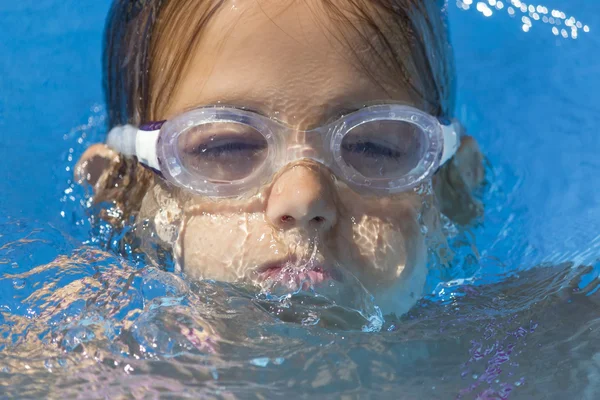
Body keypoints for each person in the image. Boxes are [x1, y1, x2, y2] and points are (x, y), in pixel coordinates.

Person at [76, 0, 484, 315]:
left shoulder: (516, 352)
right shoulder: (81, 370)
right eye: (227, 147)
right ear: (117, 193)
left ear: (456, 190)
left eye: (371, 147)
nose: (304, 197)